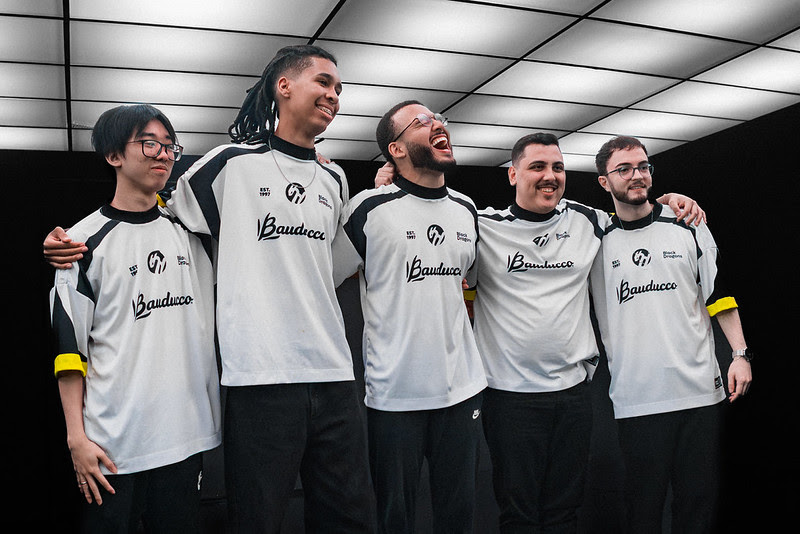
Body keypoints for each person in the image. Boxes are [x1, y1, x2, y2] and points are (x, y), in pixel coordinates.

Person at [45, 45, 374, 533]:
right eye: (323, 82)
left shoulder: (333, 177)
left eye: (339, 88)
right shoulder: (226, 166)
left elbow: (332, 265)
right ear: (284, 86)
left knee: (349, 517)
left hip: (322, 379)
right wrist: (63, 242)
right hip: (247, 383)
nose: (333, 94)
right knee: (258, 518)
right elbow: (152, 209)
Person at [375, 132, 705, 533]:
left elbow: (636, 207)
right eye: (537, 167)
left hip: (573, 397)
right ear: (513, 175)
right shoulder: (481, 225)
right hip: (509, 398)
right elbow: (427, 219)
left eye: (558, 167)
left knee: (565, 513)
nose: (550, 176)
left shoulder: (588, 221)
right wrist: (391, 186)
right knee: (520, 516)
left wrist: (672, 199)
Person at [49, 103, 222, 532]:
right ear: (114, 155)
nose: (163, 154)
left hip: (185, 439)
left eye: (169, 145)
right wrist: (76, 439)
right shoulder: (81, 243)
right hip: (112, 448)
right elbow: (69, 352)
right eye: (149, 143)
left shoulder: (192, 232)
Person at [332, 100, 487, 533]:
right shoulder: (367, 209)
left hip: (462, 392)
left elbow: (471, 282)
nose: (437, 124)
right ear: (395, 150)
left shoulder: (466, 209)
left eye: (439, 119)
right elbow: (322, 276)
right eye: (421, 121)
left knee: (458, 517)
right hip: (394, 398)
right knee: (393, 518)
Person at [590, 135, 753, 533]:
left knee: (697, 507)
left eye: (643, 166)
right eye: (624, 169)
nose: (636, 175)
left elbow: (718, 295)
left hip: (700, 394)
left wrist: (740, 355)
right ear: (604, 181)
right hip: (637, 399)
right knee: (642, 511)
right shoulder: (592, 237)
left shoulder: (688, 225)